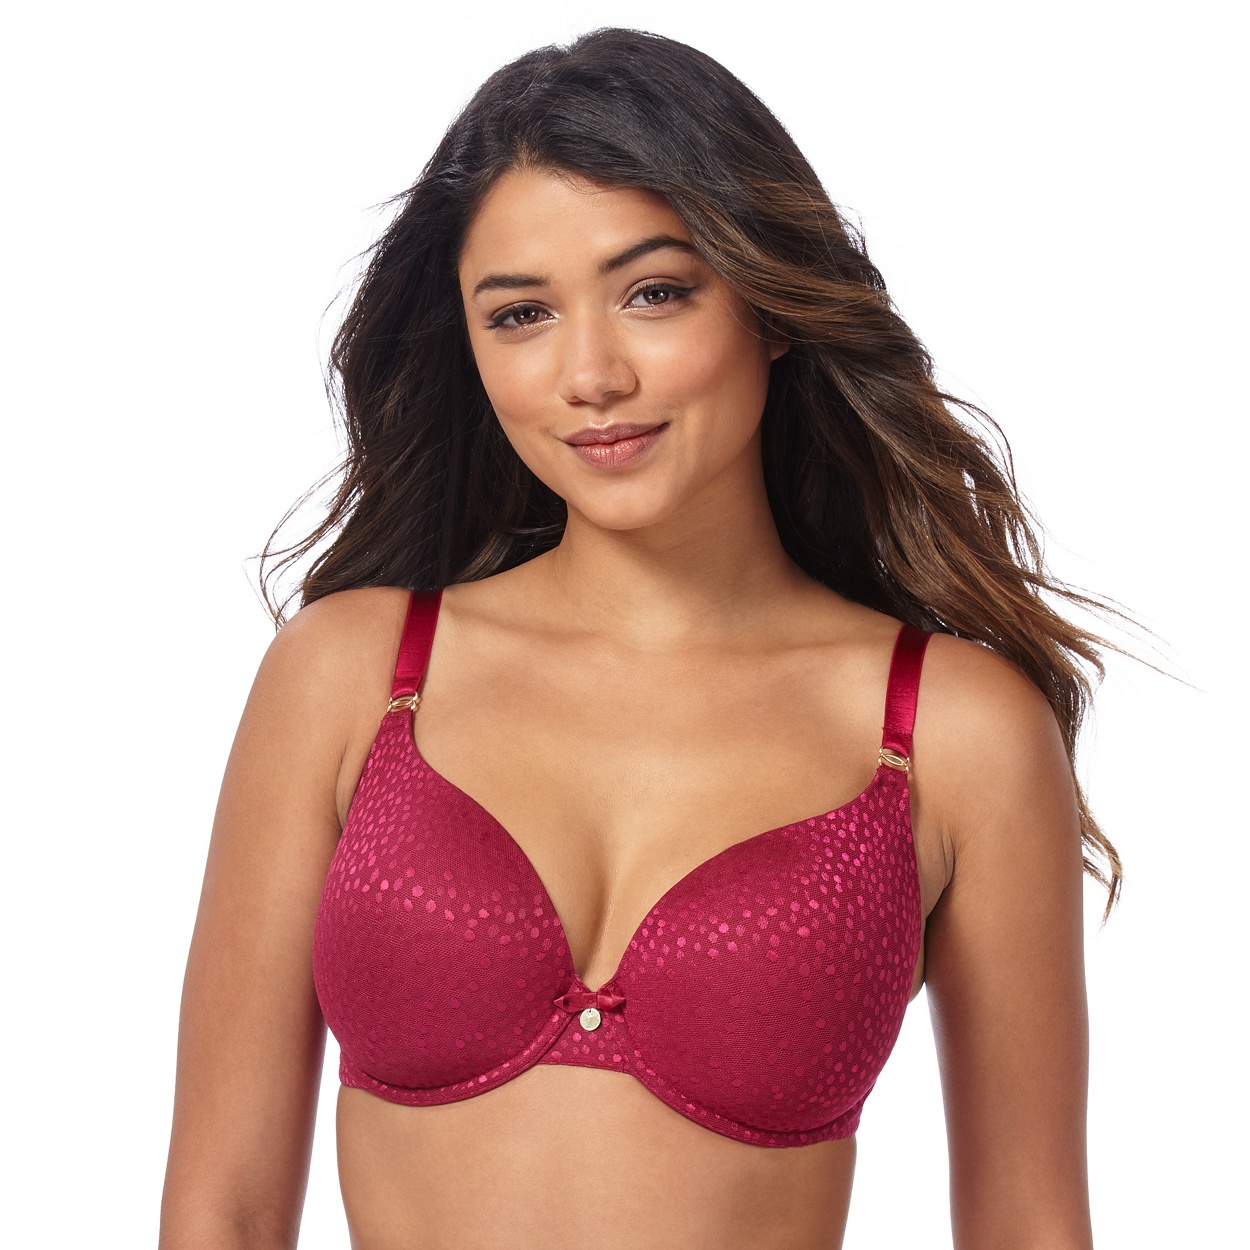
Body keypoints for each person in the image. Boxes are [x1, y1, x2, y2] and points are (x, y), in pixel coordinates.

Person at [160, 27, 1117, 1250]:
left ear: (768, 302)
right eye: (520, 314)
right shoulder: (350, 675)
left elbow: (1030, 1223)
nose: (590, 375)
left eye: (654, 292)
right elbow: (223, 1209)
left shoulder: (952, 729)